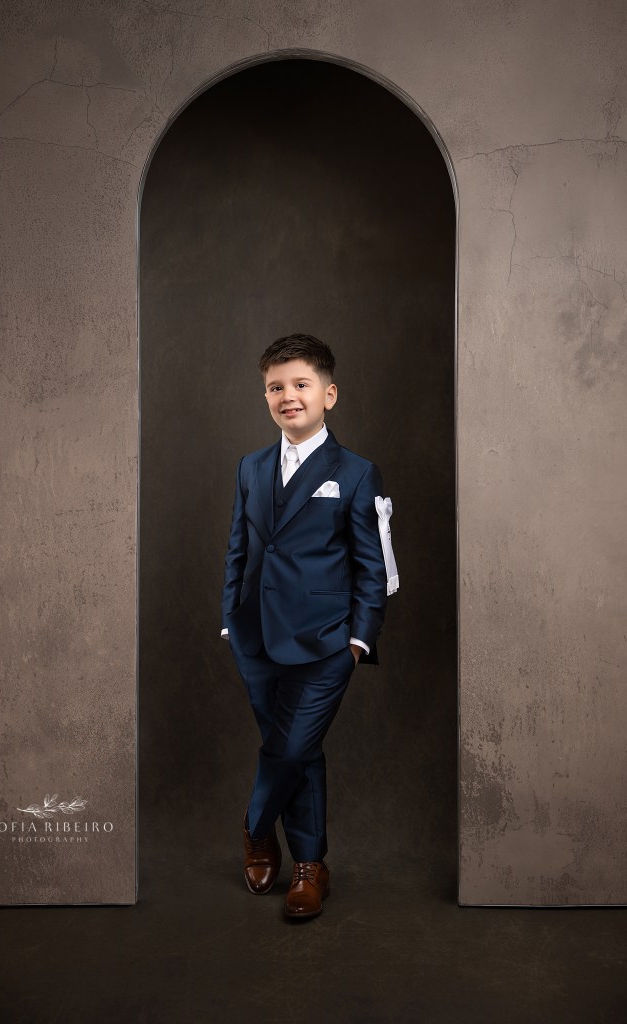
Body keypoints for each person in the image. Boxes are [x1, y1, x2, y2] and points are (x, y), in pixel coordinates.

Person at [221, 333, 397, 919]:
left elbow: (374, 565)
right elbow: (239, 549)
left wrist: (358, 639)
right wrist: (231, 619)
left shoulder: (355, 472)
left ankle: (254, 828)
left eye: (300, 384)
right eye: (276, 387)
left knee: (290, 744)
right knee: (300, 751)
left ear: (329, 394)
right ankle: (310, 866)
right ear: (266, 396)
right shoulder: (251, 467)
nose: (287, 396)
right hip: (257, 637)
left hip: (326, 642)